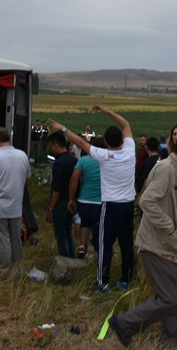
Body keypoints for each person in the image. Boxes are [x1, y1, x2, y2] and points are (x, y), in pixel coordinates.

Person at [107, 131, 177, 349]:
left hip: (171, 248)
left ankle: (172, 341)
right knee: (169, 298)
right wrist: (170, 228)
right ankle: (124, 324)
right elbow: (146, 201)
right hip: (158, 247)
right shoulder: (166, 169)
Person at [49, 105, 136, 293]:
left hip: (110, 206)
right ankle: (126, 280)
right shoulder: (130, 150)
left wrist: (62, 128)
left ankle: (102, 283)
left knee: (104, 244)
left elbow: (80, 142)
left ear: (105, 141)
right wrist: (107, 110)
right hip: (129, 205)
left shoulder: (103, 155)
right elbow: (126, 124)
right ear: (123, 139)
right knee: (127, 243)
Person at [0, 127, 31, 271]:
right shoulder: (22, 155)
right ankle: (17, 269)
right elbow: (27, 176)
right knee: (16, 240)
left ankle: (4, 271)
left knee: (2, 241)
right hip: (16, 207)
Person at [68, 137, 105, 259]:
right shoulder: (107, 161)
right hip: (100, 202)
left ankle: (82, 246)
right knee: (98, 229)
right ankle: (97, 256)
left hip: (83, 201)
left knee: (85, 222)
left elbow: (74, 179)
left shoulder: (83, 160)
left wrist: (71, 198)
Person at [46, 131, 78, 257]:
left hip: (60, 203)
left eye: (51, 146)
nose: (51, 149)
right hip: (71, 201)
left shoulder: (59, 163)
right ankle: (72, 257)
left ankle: (65, 261)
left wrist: (50, 208)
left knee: (60, 234)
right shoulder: (74, 160)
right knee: (68, 231)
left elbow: (57, 189)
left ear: (55, 145)